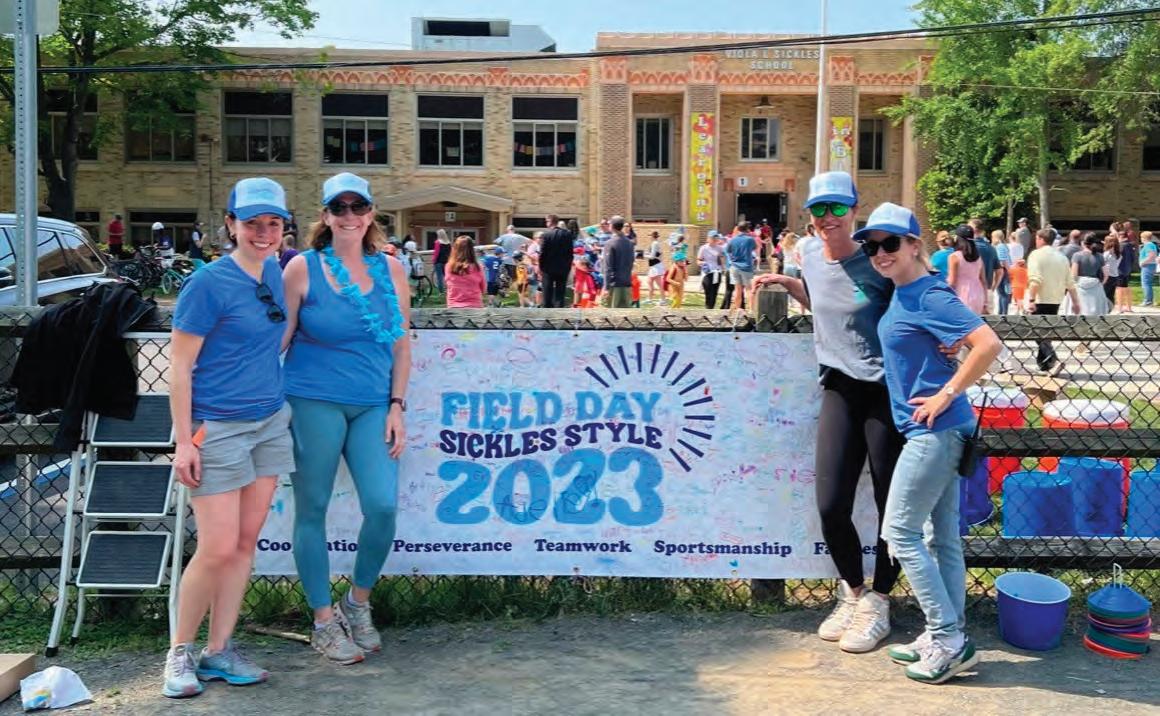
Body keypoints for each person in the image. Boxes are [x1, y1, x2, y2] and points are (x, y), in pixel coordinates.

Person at [754, 172, 904, 653]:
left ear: (855, 210)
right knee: (830, 503)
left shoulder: (878, 259)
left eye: (838, 208)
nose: (828, 218)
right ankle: (854, 593)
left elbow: (916, 301)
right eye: (819, 209)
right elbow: (825, 301)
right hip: (839, 388)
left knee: (891, 506)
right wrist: (790, 286)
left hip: (886, 393)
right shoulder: (811, 256)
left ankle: (881, 600)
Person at [855, 202, 1002, 684]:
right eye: (872, 246)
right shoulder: (908, 292)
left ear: (914, 245)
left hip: (935, 431)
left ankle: (948, 639)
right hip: (939, 431)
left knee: (899, 533)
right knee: (942, 539)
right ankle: (948, 633)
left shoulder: (927, 293)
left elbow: (988, 344)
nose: (880, 253)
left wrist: (946, 392)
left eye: (889, 243)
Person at [164, 177, 295, 698]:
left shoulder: (276, 272)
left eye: (273, 223)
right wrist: (183, 442)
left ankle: (219, 650)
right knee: (216, 547)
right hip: (216, 427)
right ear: (230, 225)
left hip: (269, 422)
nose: (263, 232)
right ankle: (179, 652)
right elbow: (179, 367)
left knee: (243, 543)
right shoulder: (208, 283)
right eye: (252, 222)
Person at [281, 172, 411, 665]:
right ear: (326, 215)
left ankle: (356, 603)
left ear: (371, 214)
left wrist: (397, 405)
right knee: (311, 508)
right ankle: (322, 621)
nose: (350, 216)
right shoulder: (302, 267)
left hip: (374, 403)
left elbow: (401, 345)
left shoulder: (391, 269)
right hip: (312, 399)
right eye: (340, 208)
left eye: (359, 207)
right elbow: (279, 339)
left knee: (382, 505)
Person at [1027, 228, 1081, 373]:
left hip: (1040, 298)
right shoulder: (1061, 257)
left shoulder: (1036, 255)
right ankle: (1044, 365)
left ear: (1040, 239)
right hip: (1056, 298)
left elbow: (1035, 280)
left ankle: (1053, 360)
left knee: (1037, 332)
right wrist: (1076, 302)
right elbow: (1070, 282)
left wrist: (1031, 299)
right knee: (1046, 331)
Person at [1066, 232, 1109, 316]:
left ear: (1082, 242)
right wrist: (1101, 283)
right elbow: (1106, 274)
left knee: (1077, 313)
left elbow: (1074, 275)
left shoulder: (1077, 255)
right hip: (1095, 286)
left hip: (1079, 286)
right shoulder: (1100, 256)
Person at [946, 225, 986, 315]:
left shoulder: (954, 257)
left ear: (957, 239)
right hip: (978, 295)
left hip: (961, 295)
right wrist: (985, 302)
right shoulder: (978, 258)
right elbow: (983, 280)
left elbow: (952, 282)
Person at [539, 214, 574, 308]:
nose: (546, 223)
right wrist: (568, 266)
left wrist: (541, 267)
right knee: (560, 292)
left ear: (550, 222)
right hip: (563, 267)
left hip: (548, 267)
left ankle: (547, 310)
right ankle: (559, 311)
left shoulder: (546, 235)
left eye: (546, 221)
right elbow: (570, 253)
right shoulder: (567, 234)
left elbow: (542, 253)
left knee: (547, 291)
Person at [443, 236, 486, 308]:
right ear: (472, 250)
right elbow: (483, 289)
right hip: (474, 306)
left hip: (454, 306)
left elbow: (448, 285)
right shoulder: (478, 267)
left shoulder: (449, 267)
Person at [602, 216, 635, 308]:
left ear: (612, 226)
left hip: (614, 284)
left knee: (612, 313)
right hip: (627, 283)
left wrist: (606, 287)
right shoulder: (629, 243)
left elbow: (608, 267)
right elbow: (631, 262)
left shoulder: (610, 243)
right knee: (625, 314)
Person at [968, 219, 1000, 313]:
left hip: (970, 291)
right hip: (987, 291)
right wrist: (992, 288)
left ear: (973, 229)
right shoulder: (991, 248)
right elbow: (999, 271)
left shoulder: (968, 248)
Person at [726, 222, 758, 310]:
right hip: (746, 266)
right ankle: (751, 310)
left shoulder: (732, 240)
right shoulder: (750, 239)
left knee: (737, 289)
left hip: (735, 266)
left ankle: (737, 309)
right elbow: (754, 248)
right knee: (749, 289)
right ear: (747, 229)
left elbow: (728, 251)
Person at [698, 231, 726, 309]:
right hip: (707, 272)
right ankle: (708, 307)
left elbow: (722, 259)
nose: (714, 240)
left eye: (716, 238)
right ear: (708, 238)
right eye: (713, 238)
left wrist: (723, 268)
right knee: (708, 291)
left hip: (717, 272)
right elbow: (698, 260)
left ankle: (711, 308)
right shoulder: (703, 248)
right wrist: (703, 264)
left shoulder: (720, 248)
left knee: (714, 292)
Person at [992, 229, 1012, 316]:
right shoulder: (1003, 246)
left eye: (993, 237)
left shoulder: (1000, 246)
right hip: (1004, 270)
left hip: (1003, 270)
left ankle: (1003, 313)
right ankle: (1001, 312)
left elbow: (1003, 261)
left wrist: (1009, 272)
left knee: (1003, 293)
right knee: (1001, 293)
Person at [1116, 230, 1136, 313]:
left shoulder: (1121, 245)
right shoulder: (1130, 245)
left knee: (1119, 289)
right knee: (1127, 288)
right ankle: (1129, 307)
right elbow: (1133, 258)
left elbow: (1117, 257)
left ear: (1120, 237)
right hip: (1128, 270)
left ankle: (1120, 308)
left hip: (1120, 270)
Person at [1102, 234, 1121, 308]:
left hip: (1107, 276)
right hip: (1115, 276)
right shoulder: (1118, 254)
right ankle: (1110, 308)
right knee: (1111, 295)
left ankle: (1104, 308)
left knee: (1103, 294)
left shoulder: (1107, 254)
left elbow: (1102, 265)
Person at [1139, 230, 1158, 307]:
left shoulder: (1148, 245)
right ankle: (1149, 300)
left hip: (1148, 266)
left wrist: (1142, 262)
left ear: (1144, 238)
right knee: (1148, 283)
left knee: (1146, 283)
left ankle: (1148, 301)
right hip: (1150, 265)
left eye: (1141, 237)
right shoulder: (1151, 245)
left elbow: (1151, 256)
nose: (1141, 239)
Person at [432, 229, 452, 294]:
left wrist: (434, 260)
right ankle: (449, 289)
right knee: (447, 276)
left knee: (439, 277)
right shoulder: (449, 243)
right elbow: (450, 253)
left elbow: (436, 253)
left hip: (438, 261)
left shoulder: (437, 242)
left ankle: (441, 291)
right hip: (446, 261)